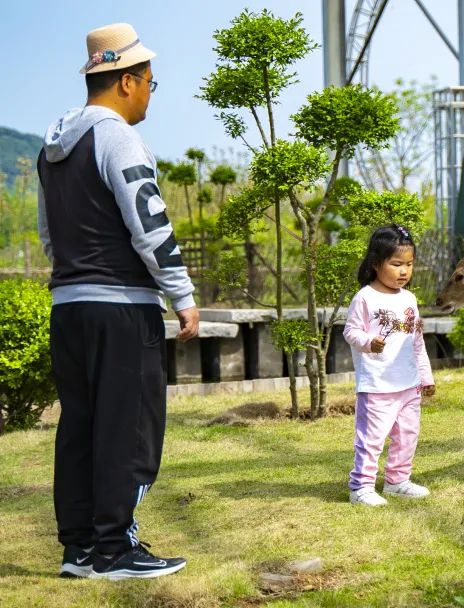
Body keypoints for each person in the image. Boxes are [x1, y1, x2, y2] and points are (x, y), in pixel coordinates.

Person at [37, 23, 198, 580]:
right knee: (129, 425)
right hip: (121, 307)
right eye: (152, 82)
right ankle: (115, 549)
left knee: (80, 424)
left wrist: (71, 281)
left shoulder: (52, 146)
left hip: (69, 305)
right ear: (128, 80)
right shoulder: (118, 138)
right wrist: (182, 294)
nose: (153, 93)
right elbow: (150, 224)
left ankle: (80, 548)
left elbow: (49, 235)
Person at [343, 225, 435, 507]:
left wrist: (425, 376)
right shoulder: (365, 298)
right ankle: (361, 487)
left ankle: (397, 481)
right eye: (396, 264)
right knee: (371, 439)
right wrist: (369, 342)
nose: (404, 271)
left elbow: (416, 341)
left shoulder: (409, 299)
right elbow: (350, 331)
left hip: (408, 384)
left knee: (407, 435)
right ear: (376, 264)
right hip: (377, 384)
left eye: (409, 264)